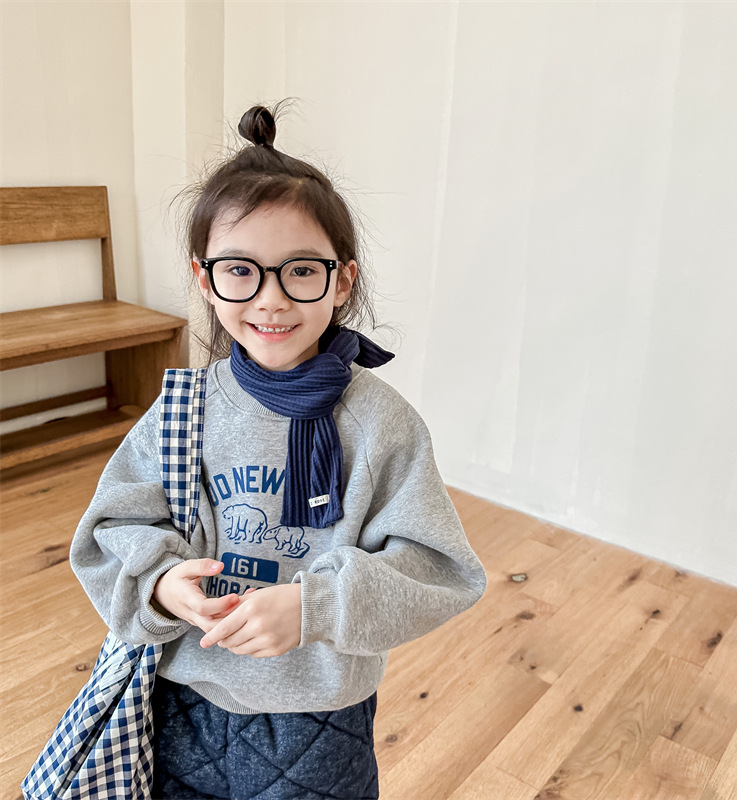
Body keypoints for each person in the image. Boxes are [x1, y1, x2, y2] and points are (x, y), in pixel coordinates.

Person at [69, 104, 486, 800]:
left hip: (319, 718)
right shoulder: (183, 410)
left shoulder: (380, 424)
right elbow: (113, 529)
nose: (270, 299)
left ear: (341, 281)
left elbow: (441, 571)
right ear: (204, 278)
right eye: (241, 271)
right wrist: (161, 584)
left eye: (300, 271)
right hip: (183, 701)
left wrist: (314, 607)